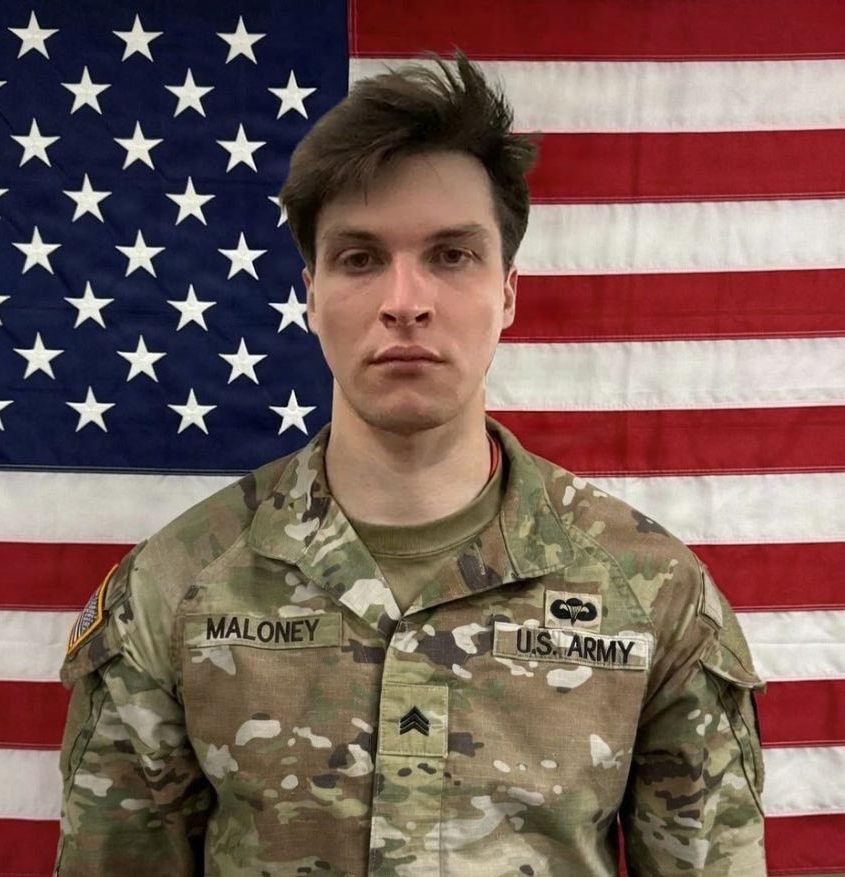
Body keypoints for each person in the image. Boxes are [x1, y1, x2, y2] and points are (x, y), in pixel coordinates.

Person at [54, 52, 767, 876]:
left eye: (451, 255)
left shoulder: (653, 594)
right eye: (360, 258)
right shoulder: (175, 589)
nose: (405, 301)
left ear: (507, 291)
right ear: (310, 294)